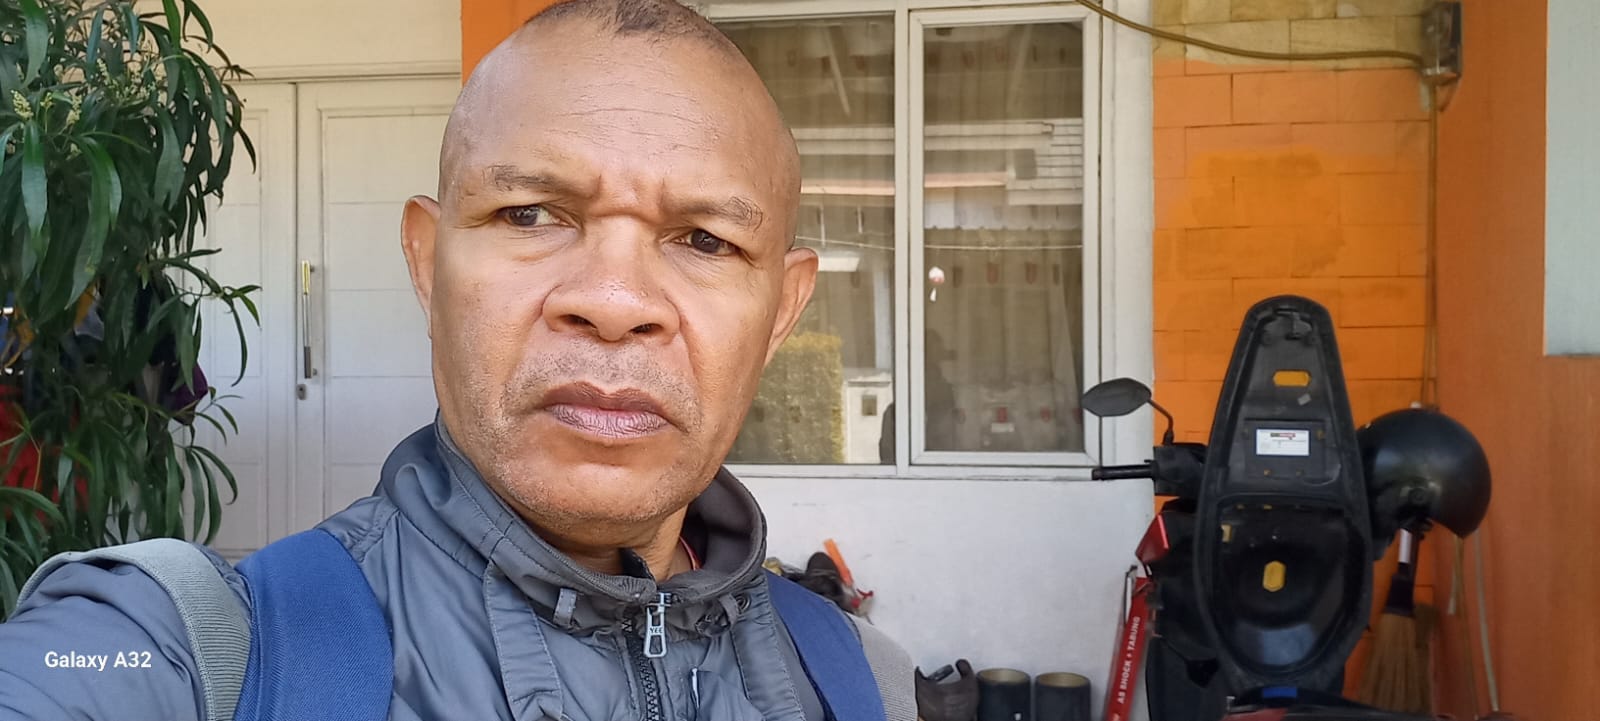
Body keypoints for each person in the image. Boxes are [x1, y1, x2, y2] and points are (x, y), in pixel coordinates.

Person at [0, 1, 914, 719]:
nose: (614, 300)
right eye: (531, 214)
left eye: (706, 239)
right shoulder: (188, 649)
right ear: (427, 263)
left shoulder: (861, 679)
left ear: (782, 309)